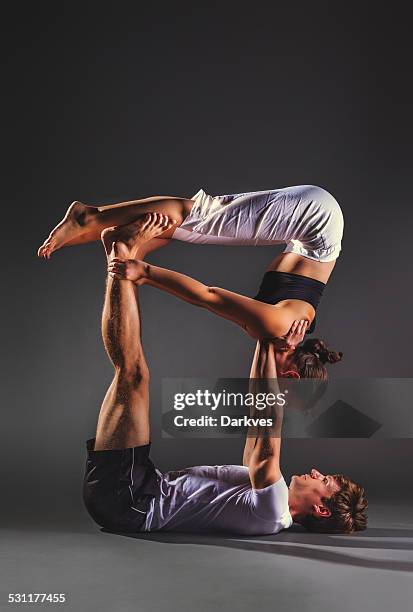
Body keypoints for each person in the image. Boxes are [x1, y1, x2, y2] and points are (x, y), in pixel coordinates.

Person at [83, 217, 367, 536]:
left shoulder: (273, 510)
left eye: (324, 481)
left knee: (133, 375)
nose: (317, 472)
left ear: (320, 508)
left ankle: (120, 256)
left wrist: (271, 339)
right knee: (132, 373)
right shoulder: (264, 493)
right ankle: (123, 253)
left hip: (130, 502)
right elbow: (255, 419)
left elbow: (266, 432)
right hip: (139, 487)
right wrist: (267, 340)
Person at [38, 185, 344, 378]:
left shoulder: (281, 330)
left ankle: (105, 231)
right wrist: (144, 273)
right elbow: (206, 295)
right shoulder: (276, 327)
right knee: (200, 216)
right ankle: (85, 217)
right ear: (289, 378)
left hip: (313, 230)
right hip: (316, 219)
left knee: (195, 229)